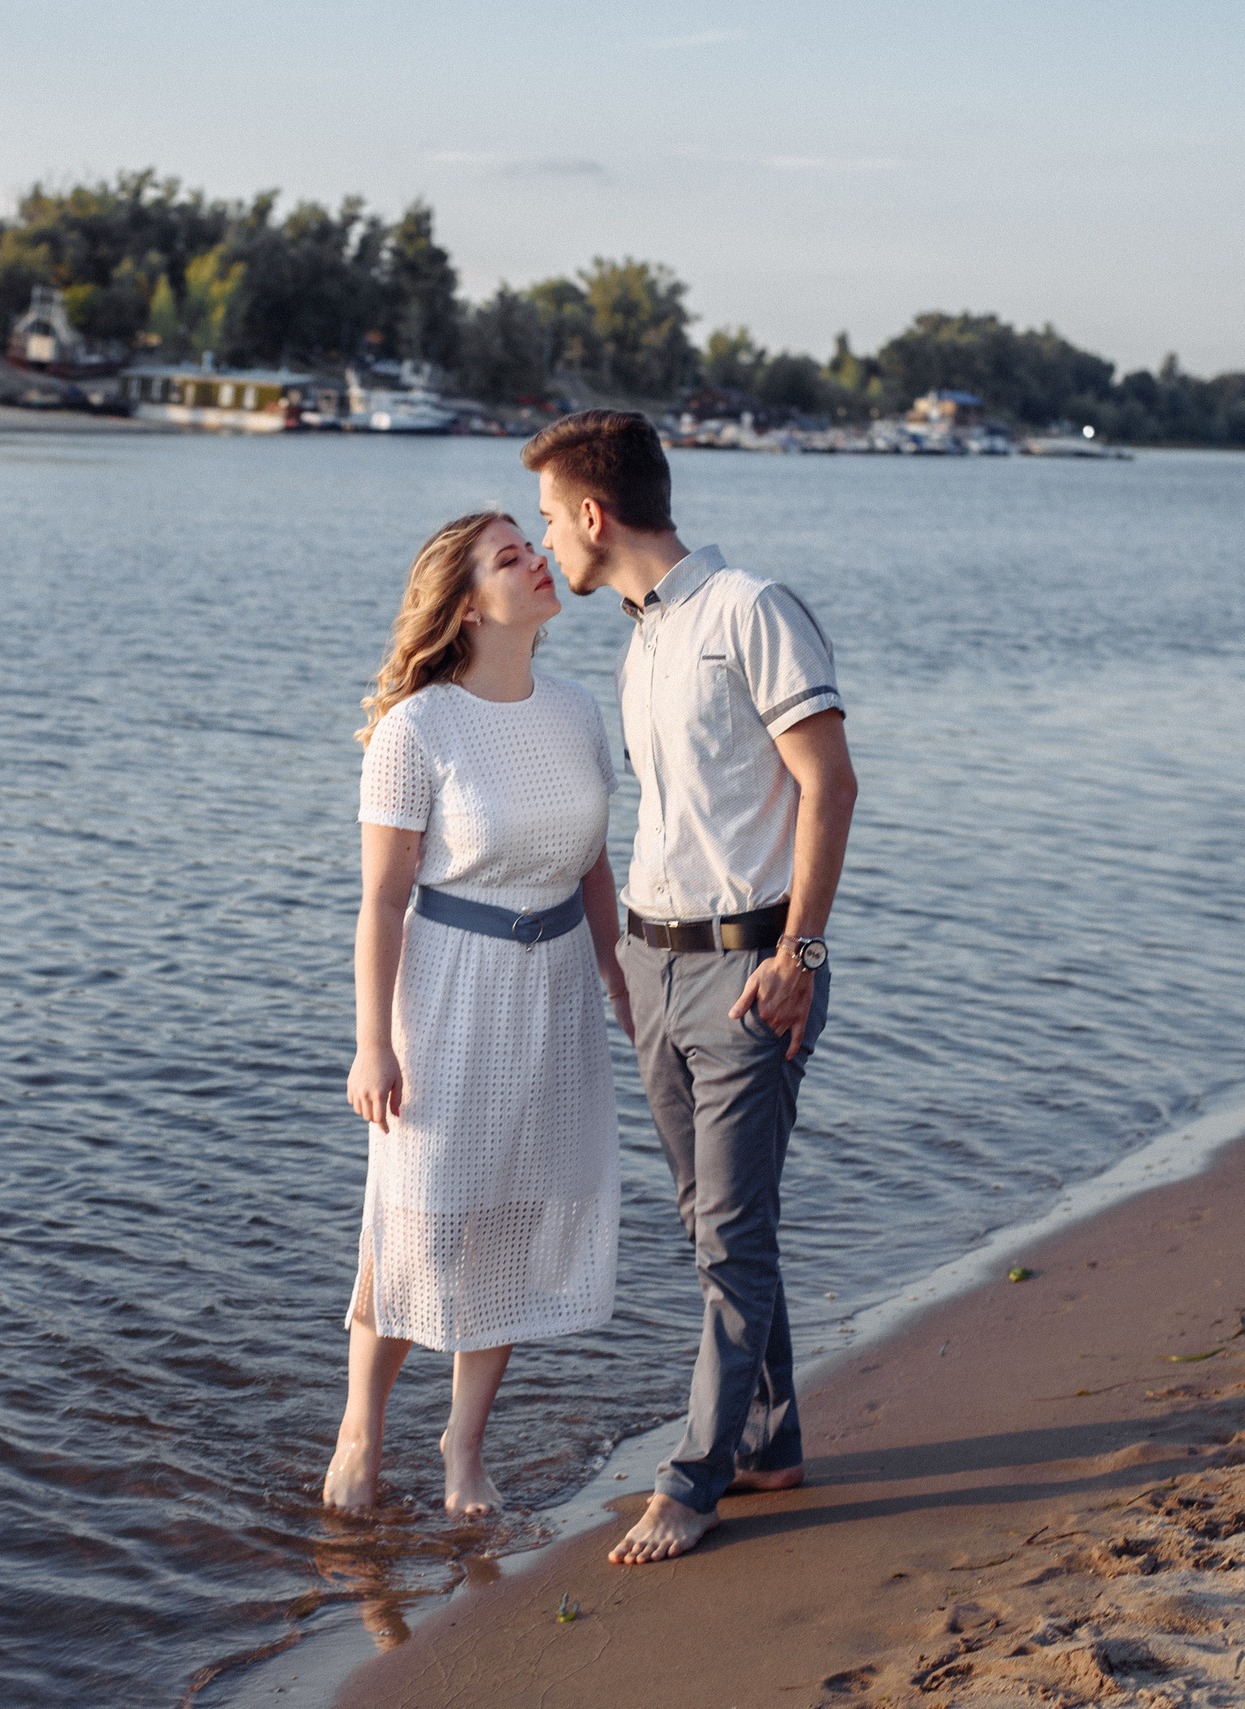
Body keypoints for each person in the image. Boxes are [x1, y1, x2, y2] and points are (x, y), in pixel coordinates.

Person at [524, 410, 859, 1565]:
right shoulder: (640, 637)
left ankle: (695, 1474)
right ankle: (768, 1438)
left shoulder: (748, 612)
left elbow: (830, 784)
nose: (544, 544)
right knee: (707, 1224)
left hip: (748, 969)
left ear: (591, 514)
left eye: (545, 519)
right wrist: (622, 969)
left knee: (730, 1232)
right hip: (656, 967)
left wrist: (799, 957)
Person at [323, 509, 633, 1517]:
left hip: (553, 996)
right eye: (513, 556)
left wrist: (619, 977)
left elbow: (591, 862)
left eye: (530, 545)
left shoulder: (578, 708)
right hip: (447, 993)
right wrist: (372, 1042)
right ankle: (361, 1436)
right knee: (419, 1220)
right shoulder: (417, 728)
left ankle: (464, 1448)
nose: (539, 560)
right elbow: (380, 896)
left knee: (512, 1212)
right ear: (466, 606)